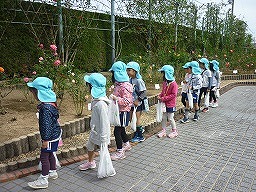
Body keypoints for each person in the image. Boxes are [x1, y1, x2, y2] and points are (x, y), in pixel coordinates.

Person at [27, 77, 62, 189]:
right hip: (55, 134)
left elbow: (46, 125)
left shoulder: (45, 108)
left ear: (39, 92)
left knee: (44, 156)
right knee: (50, 154)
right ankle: (52, 172)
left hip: (50, 137)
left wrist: (45, 140)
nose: (32, 94)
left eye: (33, 91)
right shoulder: (50, 104)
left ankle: (43, 179)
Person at [79, 73, 115, 178]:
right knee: (90, 145)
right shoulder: (96, 100)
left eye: (88, 85)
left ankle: (106, 167)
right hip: (95, 130)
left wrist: (104, 137)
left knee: (103, 150)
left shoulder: (101, 104)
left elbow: (105, 122)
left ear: (92, 87)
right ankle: (91, 162)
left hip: (102, 132)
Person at [109, 61, 133, 160]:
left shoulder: (125, 86)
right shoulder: (119, 84)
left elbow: (127, 100)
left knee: (117, 132)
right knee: (121, 129)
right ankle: (127, 144)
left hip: (123, 112)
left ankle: (120, 152)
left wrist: (116, 98)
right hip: (119, 111)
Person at [126, 61, 147, 143]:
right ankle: (137, 132)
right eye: (127, 70)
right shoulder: (130, 79)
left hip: (138, 104)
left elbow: (144, 92)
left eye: (129, 70)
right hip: (132, 103)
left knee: (137, 119)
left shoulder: (139, 81)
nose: (127, 72)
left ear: (134, 71)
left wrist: (138, 100)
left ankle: (140, 136)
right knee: (132, 118)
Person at [157, 65, 179, 138]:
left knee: (170, 118)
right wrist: (160, 96)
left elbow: (173, 95)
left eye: (163, 73)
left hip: (170, 104)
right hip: (164, 104)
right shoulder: (165, 83)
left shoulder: (174, 84)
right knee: (163, 117)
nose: (163, 75)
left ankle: (174, 131)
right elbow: (163, 92)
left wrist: (163, 98)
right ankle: (163, 131)